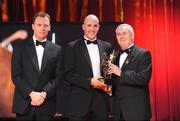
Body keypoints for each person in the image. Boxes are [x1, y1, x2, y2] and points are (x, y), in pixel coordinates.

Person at [11, 12, 63, 121]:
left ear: (49, 27)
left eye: (45, 25)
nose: (42, 28)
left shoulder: (57, 49)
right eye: (39, 25)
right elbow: (16, 75)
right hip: (24, 105)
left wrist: (43, 94)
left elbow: (58, 77)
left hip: (46, 105)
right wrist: (31, 94)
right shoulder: (20, 47)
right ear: (33, 26)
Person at [64, 14, 112, 121]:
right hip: (79, 103)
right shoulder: (72, 47)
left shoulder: (107, 46)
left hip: (101, 103)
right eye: (89, 25)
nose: (92, 29)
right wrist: (89, 81)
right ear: (83, 27)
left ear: (99, 27)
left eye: (95, 26)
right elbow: (68, 75)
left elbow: (109, 72)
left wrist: (109, 84)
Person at [108, 23, 152, 121]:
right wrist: (108, 87)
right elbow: (116, 82)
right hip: (118, 112)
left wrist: (121, 73)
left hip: (136, 112)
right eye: (118, 34)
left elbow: (144, 79)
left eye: (124, 33)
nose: (121, 36)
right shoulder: (115, 55)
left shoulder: (143, 54)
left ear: (132, 35)